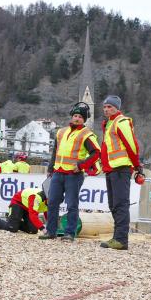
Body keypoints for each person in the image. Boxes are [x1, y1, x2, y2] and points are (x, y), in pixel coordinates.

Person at [40, 102, 100, 241]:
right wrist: (50, 169)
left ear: (84, 119)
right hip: (58, 172)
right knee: (52, 202)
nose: (77, 118)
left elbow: (96, 153)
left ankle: (70, 233)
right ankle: (51, 231)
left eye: (80, 116)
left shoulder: (87, 134)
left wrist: (81, 165)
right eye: (75, 115)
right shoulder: (61, 132)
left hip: (74, 174)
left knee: (72, 204)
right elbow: (55, 151)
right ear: (71, 116)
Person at [99, 95, 142, 250]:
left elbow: (131, 144)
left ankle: (121, 239)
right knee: (114, 204)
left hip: (121, 167)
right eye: (104, 106)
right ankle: (117, 237)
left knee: (120, 204)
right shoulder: (109, 124)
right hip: (112, 168)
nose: (106, 109)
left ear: (117, 108)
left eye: (110, 106)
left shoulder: (121, 122)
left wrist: (137, 165)